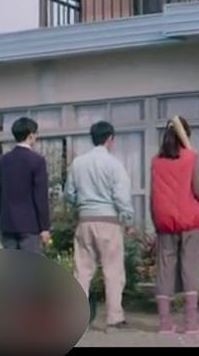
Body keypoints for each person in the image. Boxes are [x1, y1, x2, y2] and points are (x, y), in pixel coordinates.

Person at [64, 121, 135, 333]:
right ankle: (114, 318)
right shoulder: (114, 164)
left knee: (82, 271)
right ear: (110, 138)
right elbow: (121, 196)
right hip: (109, 221)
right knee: (113, 271)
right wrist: (127, 219)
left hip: (85, 220)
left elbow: (69, 193)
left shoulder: (77, 163)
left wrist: (80, 205)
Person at [149, 115, 199, 334]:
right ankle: (191, 322)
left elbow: (153, 194)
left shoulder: (155, 161)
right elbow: (198, 189)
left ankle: (164, 323)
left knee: (164, 269)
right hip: (189, 219)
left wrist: (156, 220)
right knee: (190, 266)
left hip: (164, 220)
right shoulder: (191, 157)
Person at [0, 117, 51, 254]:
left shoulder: (2, 161)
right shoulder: (37, 161)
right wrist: (44, 227)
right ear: (31, 135)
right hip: (30, 225)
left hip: (7, 223)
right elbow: (40, 196)